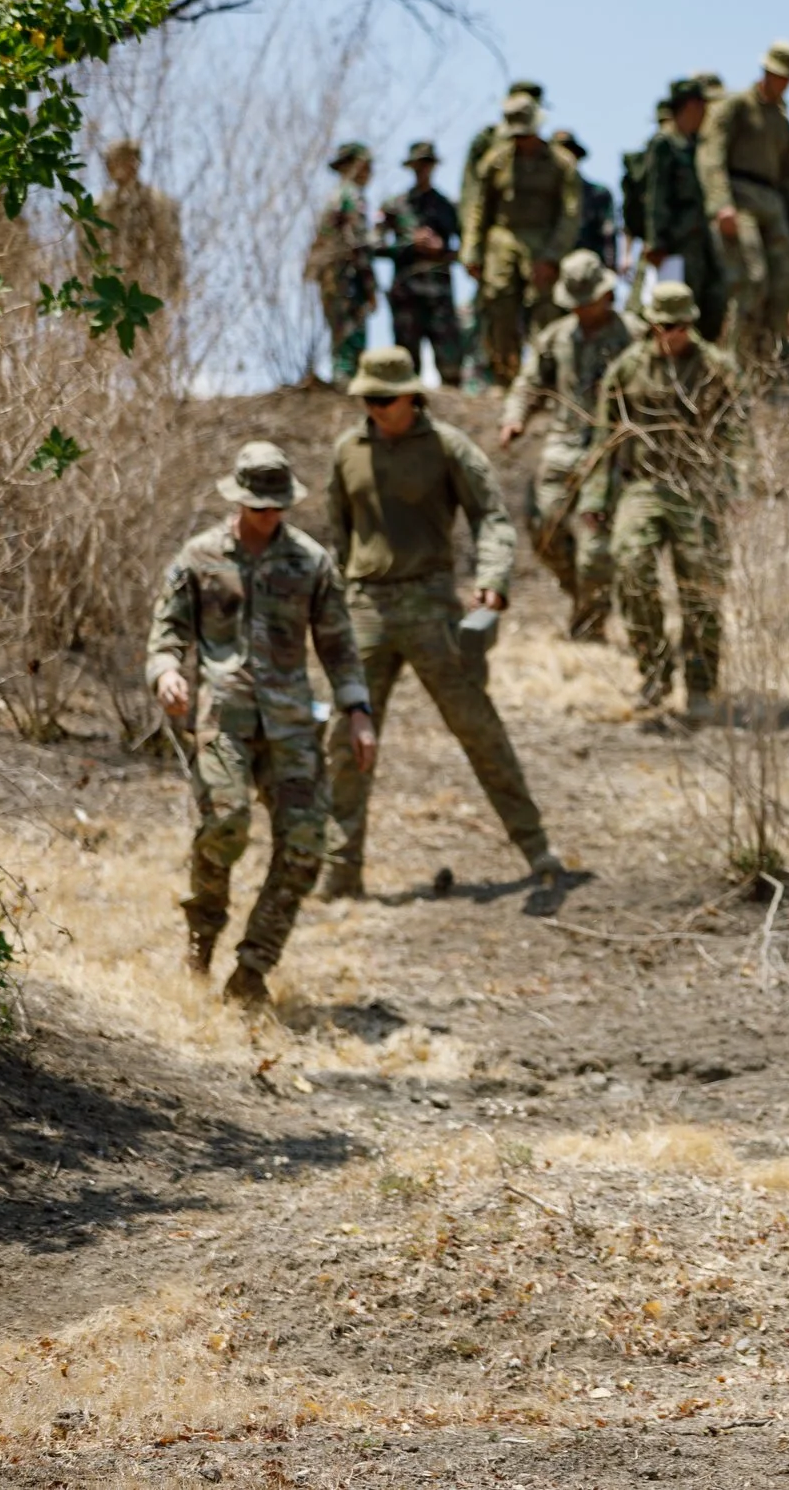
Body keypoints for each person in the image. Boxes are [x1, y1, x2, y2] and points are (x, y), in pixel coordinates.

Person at [316, 344, 562, 900]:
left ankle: (536, 847)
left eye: (386, 398)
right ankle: (339, 872)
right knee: (346, 738)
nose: (375, 407)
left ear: (412, 395)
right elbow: (338, 531)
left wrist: (494, 580)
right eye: (368, 398)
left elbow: (493, 518)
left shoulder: (450, 448)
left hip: (432, 605)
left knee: (477, 726)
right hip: (366, 609)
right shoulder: (346, 451)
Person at [148, 443, 374, 1006]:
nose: (270, 516)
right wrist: (166, 672)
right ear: (239, 500)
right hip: (224, 717)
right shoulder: (199, 558)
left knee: (305, 844)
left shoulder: (311, 562)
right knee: (226, 825)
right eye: (259, 506)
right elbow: (167, 632)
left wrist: (359, 712)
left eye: (278, 506)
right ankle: (201, 939)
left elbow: (339, 644)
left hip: (294, 722)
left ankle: (252, 969)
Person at [579, 281, 744, 717]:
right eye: (663, 326)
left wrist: (733, 487)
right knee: (631, 564)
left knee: (701, 589)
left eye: (680, 326)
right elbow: (605, 437)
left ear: (691, 324)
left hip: (699, 487)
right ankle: (653, 669)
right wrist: (596, 497)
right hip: (645, 484)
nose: (671, 334)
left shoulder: (717, 368)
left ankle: (702, 684)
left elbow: (736, 435)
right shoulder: (627, 370)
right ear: (651, 325)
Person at [500, 250, 637, 640]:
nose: (581, 311)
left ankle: (590, 627)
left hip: (614, 449)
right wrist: (515, 418)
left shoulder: (634, 334)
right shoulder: (556, 336)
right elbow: (529, 382)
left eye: (588, 302)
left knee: (596, 549)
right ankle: (582, 597)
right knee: (542, 525)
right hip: (563, 443)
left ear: (606, 295)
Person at [698, 41, 789, 384]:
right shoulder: (735, 107)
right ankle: (734, 370)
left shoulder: (782, 122)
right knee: (752, 279)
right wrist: (721, 204)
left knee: (783, 287)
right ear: (765, 72)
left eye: (787, 77)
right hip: (739, 199)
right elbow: (711, 156)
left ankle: (765, 372)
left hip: (773, 205)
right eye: (777, 74)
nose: (782, 82)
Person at [461, 97, 582, 385]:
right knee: (499, 307)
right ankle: (506, 380)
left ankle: (546, 382)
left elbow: (570, 215)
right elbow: (478, 210)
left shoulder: (561, 164)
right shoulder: (495, 162)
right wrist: (472, 252)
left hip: (543, 240)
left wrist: (553, 255)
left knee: (547, 310)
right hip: (501, 242)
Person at [378, 141, 466, 388]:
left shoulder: (448, 207)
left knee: (450, 365)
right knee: (406, 364)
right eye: (418, 165)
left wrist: (441, 250)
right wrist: (409, 244)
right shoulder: (394, 206)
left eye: (426, 164)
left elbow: (467, 249)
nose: (422, 170)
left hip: (440, 292)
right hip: (406, 292)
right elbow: (374, 245)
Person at [643, 77, 727, 340]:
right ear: (691, 105)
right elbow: (656, 195)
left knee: (713, 300)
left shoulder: (698, 146)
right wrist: (657, 241)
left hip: (701, 240)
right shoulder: (665, 143)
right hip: (677, 245)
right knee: (676, 309)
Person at [306, 141, 378, 383]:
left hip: (331, 277)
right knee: (350, 335)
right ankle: (348, 384)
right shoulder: (351, 197)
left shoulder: (336, 196)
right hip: (347, 278)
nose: (370, 172)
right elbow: (358, 246)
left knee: (340, 334)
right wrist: (370, 287)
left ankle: (345, 380)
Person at [90, 137, 186, 312]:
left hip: (148, 291)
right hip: (107, 296)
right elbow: (88, 254)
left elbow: (171, 249)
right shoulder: (98, 207)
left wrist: (174, 291)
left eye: (117, 159)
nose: (110, 166)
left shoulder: (158, 203)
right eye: (108, 161)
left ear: (133, 162)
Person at [550, 130, 617, 268]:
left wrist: (609, 268)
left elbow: (608, 235)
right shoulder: (540, 196)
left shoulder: (598, 193)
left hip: (588, 272)